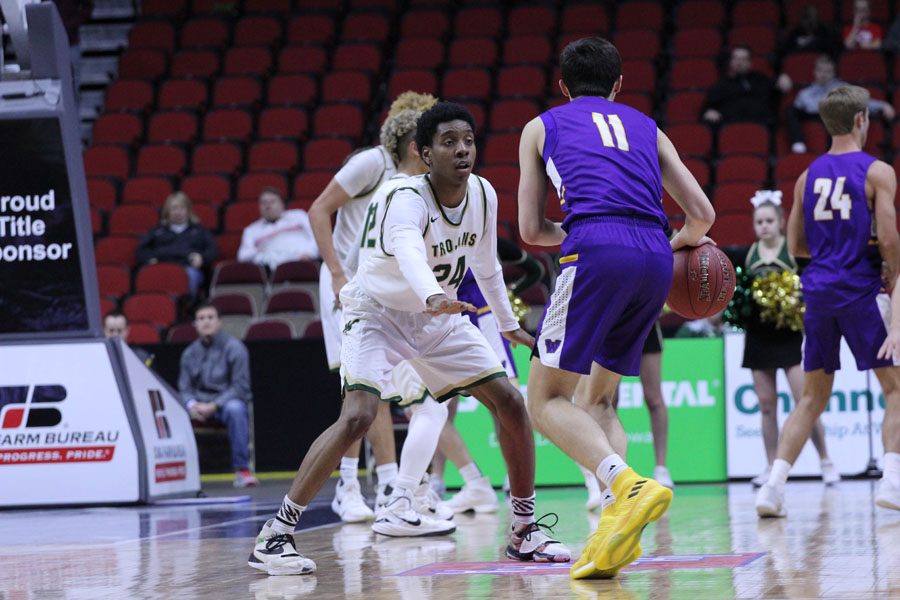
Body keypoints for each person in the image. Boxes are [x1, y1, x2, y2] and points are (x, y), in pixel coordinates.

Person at [248, 102, 571, 576]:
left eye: (468, 140)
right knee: (358, 416)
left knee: (510, 402)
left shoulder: (482, 193)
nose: (462, 149)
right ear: (424, 152)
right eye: (448, 142)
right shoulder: (404, 195)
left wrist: (507, 324)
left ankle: (523, 530)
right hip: (376, 313)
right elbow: (406, 251)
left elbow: (486, 265)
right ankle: (276, 534)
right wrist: (433, 295)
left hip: (436, 318)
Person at [517, 37, 716, 580]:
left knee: (546, 400)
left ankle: (625, 483)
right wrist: (664, 247)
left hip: (594, 249)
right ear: (619, 84)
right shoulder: (648, 127)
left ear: (562, 85)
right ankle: (613, 530)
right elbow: (701, 215)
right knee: (599, 400)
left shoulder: (541, 126)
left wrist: (586, 235)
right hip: (654, 254)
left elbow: (531, 230)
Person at [755, 85, 900, 518]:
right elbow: (891, 243)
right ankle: (892, 481)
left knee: (812, 398)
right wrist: (883, 261)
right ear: (861, 120)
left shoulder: (806, 176)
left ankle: (772, 488)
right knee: (895, 389)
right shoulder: (878, 172)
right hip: (860, 289)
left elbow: (796, 244)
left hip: (818, 290)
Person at [307, 92, 437, 524]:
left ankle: (383, 484)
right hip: (346, 283)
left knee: (384, 391)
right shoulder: (371, 163)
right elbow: (318, 209)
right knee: (365, 390)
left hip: (379, 288)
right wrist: (338, 274)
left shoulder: (416, 178)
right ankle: (363, 485)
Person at [742, 191, 839, 488]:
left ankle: (826, 461)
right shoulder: (748, 255)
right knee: (766, 405)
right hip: (758, 337)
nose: (765, 226)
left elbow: (808, 291)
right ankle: (770, 465)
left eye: (770, 220)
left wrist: (797, 303)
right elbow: (741, 297)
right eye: (760, 222)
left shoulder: (792, 252)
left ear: (782, 222)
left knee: (805, 401)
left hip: (790, 338)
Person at [178, 303, 257, 488]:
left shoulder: (235, 348)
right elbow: (184, 387)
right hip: (198, 403)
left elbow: (240, 387)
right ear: (195, 324)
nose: (206, 322)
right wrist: (191, 405)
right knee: (175, 411)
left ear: (219, 322)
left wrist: (214, 405)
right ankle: (183, 475)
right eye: (201, 318)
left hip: (225, 402)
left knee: (237, 409)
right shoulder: (189, 353)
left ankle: (241, 470)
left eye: (210, 317)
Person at [785, 55, 895, 154]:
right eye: (820, 70)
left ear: (833, 73)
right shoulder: (805, 93)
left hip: (833, 117)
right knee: (790, 110)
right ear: (814, 71)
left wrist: (883, 105)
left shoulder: (842, 88)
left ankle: (838, 152)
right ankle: (798, 143)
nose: (823, 74)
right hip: (812, 116)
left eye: (828, 71)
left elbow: (860, 101)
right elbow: (795, 113)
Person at [136, 192, 217, 299]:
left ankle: (189, 308)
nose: (178, 212)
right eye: (174, 208)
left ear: (188, 210)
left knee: (191, 276)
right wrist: (149, 259)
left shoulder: (199, 230)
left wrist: (202, 258)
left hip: (188, 268)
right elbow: (141, 249)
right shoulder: (157, 231)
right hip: (162, 267)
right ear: (167, 211)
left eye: (181, 208)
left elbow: (212, 250)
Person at [702, 45, 791, 126]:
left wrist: (782, 79)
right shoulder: (721, 85)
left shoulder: (761, 79)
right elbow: (707, 108)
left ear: (750, 63)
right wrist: (709, 112)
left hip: (761, 125)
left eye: (743, 59)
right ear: (731, 62)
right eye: (735, 59)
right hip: (730, 126)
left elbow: (777, 91)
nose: (739, 63)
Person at [237, 187, 319, 271]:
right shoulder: (251, 230)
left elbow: (317, 237)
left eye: (272, 201)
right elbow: (243, 255)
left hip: (305, 262)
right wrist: (260, 254)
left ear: (281, 203)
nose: (268, 206)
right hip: (273, 269)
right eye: (264, 203)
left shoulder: (298, 216)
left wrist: (310, 253)